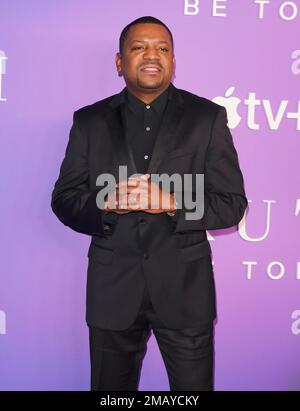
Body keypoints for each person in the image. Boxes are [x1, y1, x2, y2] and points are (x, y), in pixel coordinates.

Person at [51, 16, 248, 391]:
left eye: (162, 47)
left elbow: (232, 204)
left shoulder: (207, 118)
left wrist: (171, 203)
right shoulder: (89, 121)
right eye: (138, 47)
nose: (151, 55)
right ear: (119, 61)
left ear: (173, 61)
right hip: (112, 292)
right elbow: (64, 199)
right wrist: (103, 204)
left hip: (186, 292)